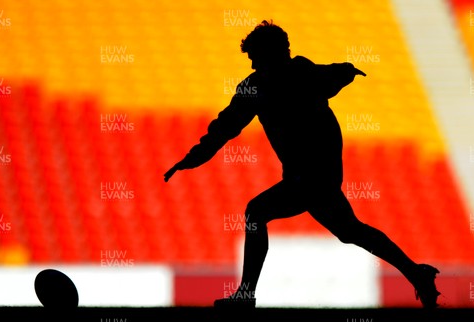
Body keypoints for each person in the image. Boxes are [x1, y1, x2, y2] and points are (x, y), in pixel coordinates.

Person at [164, 20, 440, 309]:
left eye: (255, 57)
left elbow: (225, 127)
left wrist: (192, 159)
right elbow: (333, 74)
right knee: (349, 231)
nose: (253, 65)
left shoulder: (272, 83)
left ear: (273, 53)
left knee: (257, 212)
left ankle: (245, 296)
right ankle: (417, 273)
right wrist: (192, 158)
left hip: (312, 175)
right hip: (316, 174)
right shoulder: (292, 77)